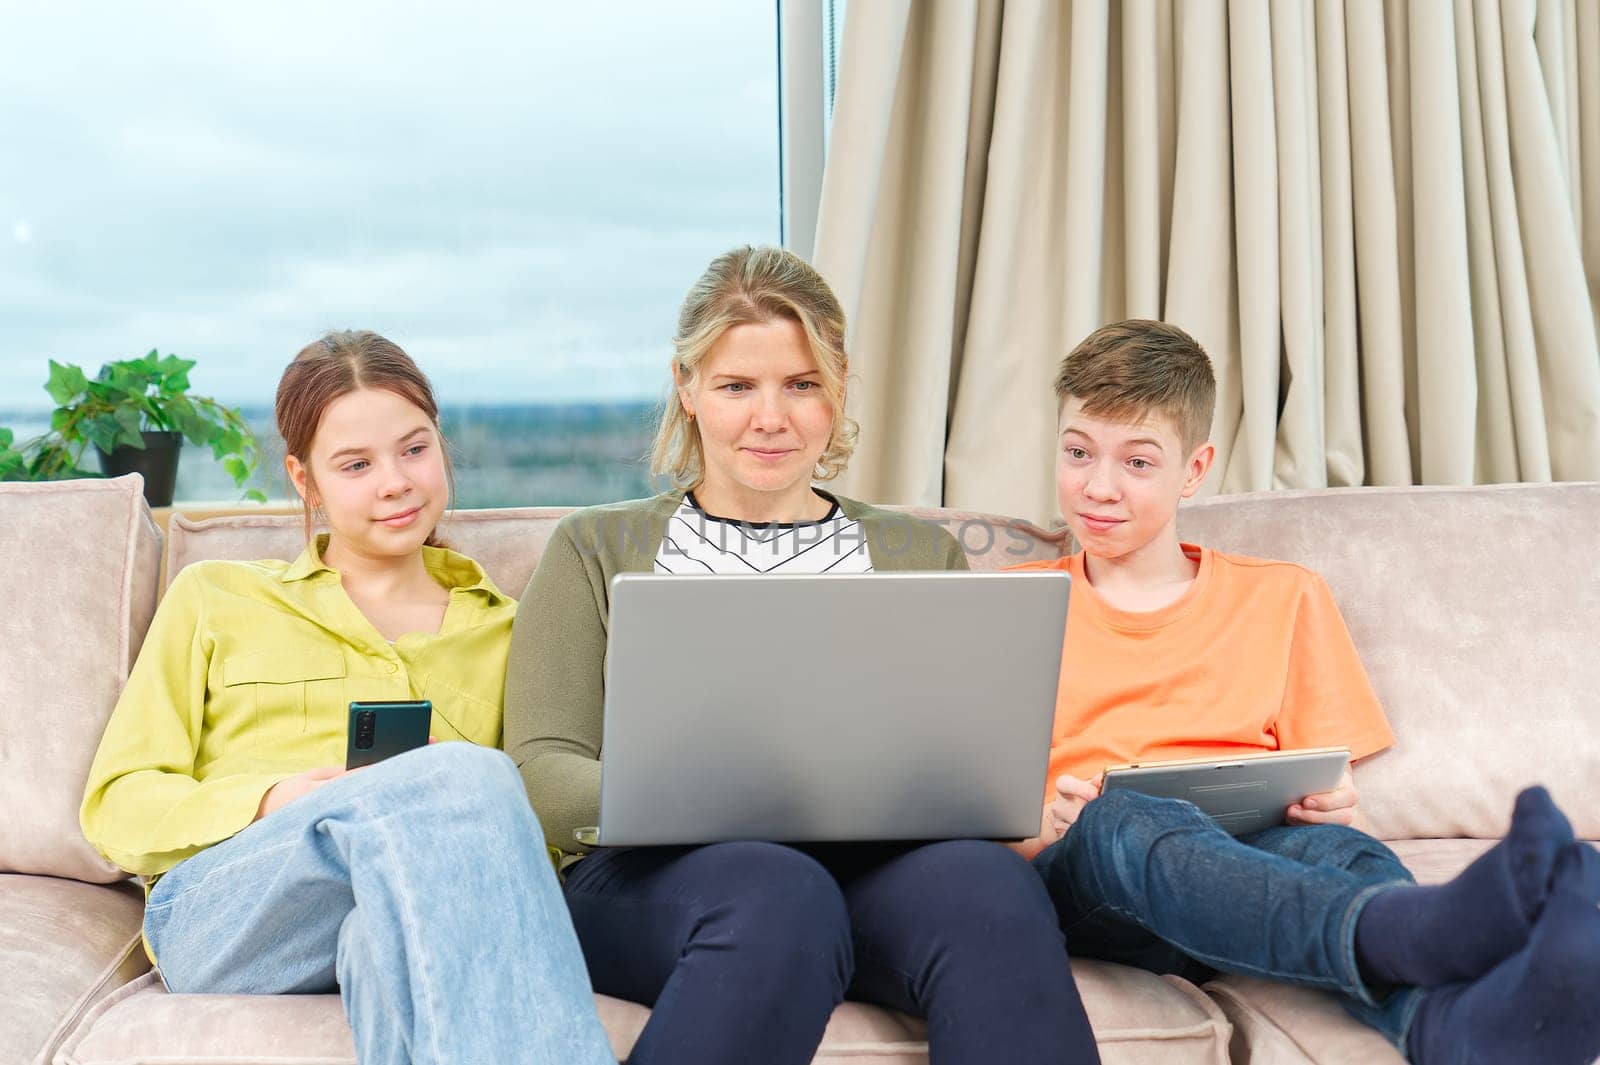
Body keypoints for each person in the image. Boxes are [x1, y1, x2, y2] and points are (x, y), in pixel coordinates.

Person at [504, 245, 1100, 1065]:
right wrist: (698, 801)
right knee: (781, 894)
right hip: (655, 882)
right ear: (686, 388)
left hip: (873, 870)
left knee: (991, 891)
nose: (770, 418)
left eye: (801, 384)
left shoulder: (921, 554)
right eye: (736, 386)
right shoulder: (593, 549)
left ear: (838, 387)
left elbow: (960, 759)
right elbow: (541, 770)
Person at [1009, 319, 1600, 1064]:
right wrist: (1046, 822)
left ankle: (1449, 1028)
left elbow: (1328, 783)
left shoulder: (1284, 597)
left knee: (1342, 850)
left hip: (1248, 878)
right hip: (1098, 885)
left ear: (1194, 469)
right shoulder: (1012, 607)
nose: (1098, 485)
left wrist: (1335, 803)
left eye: (1136, 461)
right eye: (1077, 452)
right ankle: (1415, 928)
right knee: (1124, 818)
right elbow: (967, 819)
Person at [80, 331, 615, 1065]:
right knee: (467, 775)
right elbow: (117, 803)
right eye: (356, 464)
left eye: (414, 449)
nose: (395, 481)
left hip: (402, 904)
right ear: (306, 481)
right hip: (231, 916)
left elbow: (532, 853)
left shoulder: (511, 632)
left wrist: (427, 801)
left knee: (384, 936)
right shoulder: (216, 597)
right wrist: (278, 797)